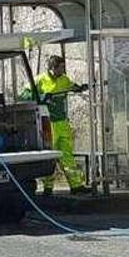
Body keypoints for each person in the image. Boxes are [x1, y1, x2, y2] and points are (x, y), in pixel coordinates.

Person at [23, 55, 90, 196]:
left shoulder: (64, 79)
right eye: (60, 67)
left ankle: (76, 185)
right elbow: (24, 94)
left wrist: (81, 87)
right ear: (52, 68)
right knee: (50, 156)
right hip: (48, 123)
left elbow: (72, 87)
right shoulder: (40, 80)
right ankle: (48, 187)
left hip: (62, 122)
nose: (62, 70)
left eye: (63, 67)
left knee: (67, 155)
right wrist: (40, 97)